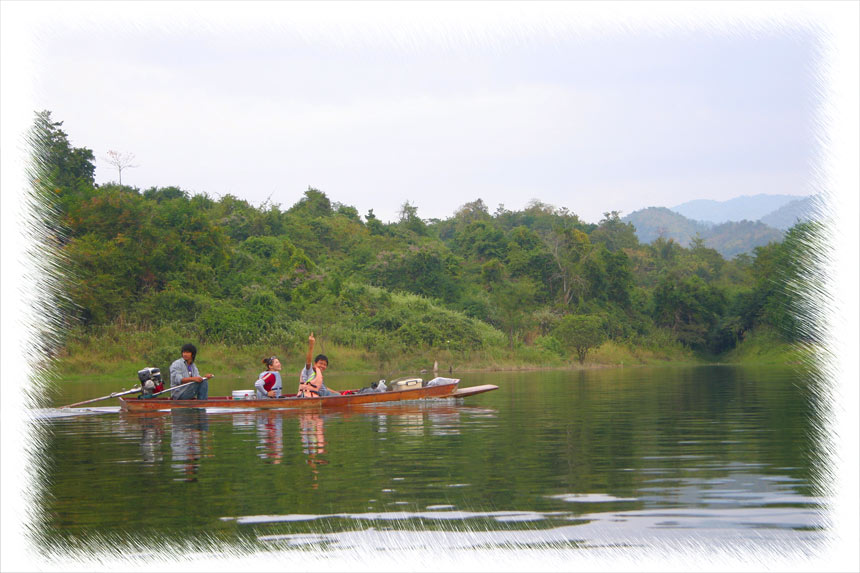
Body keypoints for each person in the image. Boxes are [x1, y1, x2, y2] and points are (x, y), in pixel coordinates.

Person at [297, 332, 340, 397]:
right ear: (315, 363)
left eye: (325, 365)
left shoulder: (318, 375)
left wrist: (337, 393)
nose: (322, 366)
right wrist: (311, 345)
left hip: (319, 394)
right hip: (309, 396)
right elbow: (308, 361)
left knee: (337, 394)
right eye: (320, 363)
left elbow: (324, 388)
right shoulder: (309, 371)